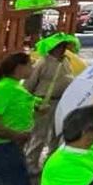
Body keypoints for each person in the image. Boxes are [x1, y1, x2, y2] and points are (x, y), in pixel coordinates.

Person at [0, 52, 36, 185]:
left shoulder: (14, 86)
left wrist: (37, 106)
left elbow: (19, 103)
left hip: (6, 146)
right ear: (19, 67)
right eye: (30, 65)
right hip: (0, 146)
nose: (32, 68)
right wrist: (16, 135)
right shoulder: (3, 88)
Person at [23, 40, 74, 173]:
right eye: (60, 46)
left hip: (61, 102)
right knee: (39, 134)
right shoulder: (42, 63)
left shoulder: (66, 62)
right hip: (44, 102)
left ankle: (50, 161)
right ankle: (30, 163)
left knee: (57, 133)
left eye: (64, 46)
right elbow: (29, 84)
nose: (62, 49)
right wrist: (32, 103)